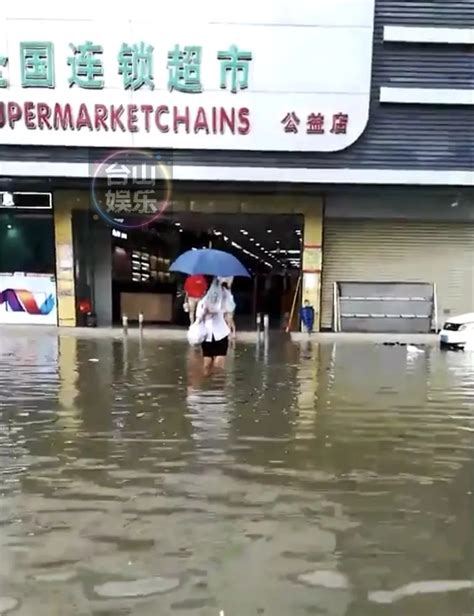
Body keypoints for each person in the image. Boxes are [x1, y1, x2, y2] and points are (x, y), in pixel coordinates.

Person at [195, 278, 234, 373]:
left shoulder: (221, 297)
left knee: (213, 363)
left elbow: (230, 308)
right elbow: (199, 317)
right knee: (212, 364)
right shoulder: (204, 302)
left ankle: (212, 384)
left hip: (215, 334)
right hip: (212, 334)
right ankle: (212, 384)